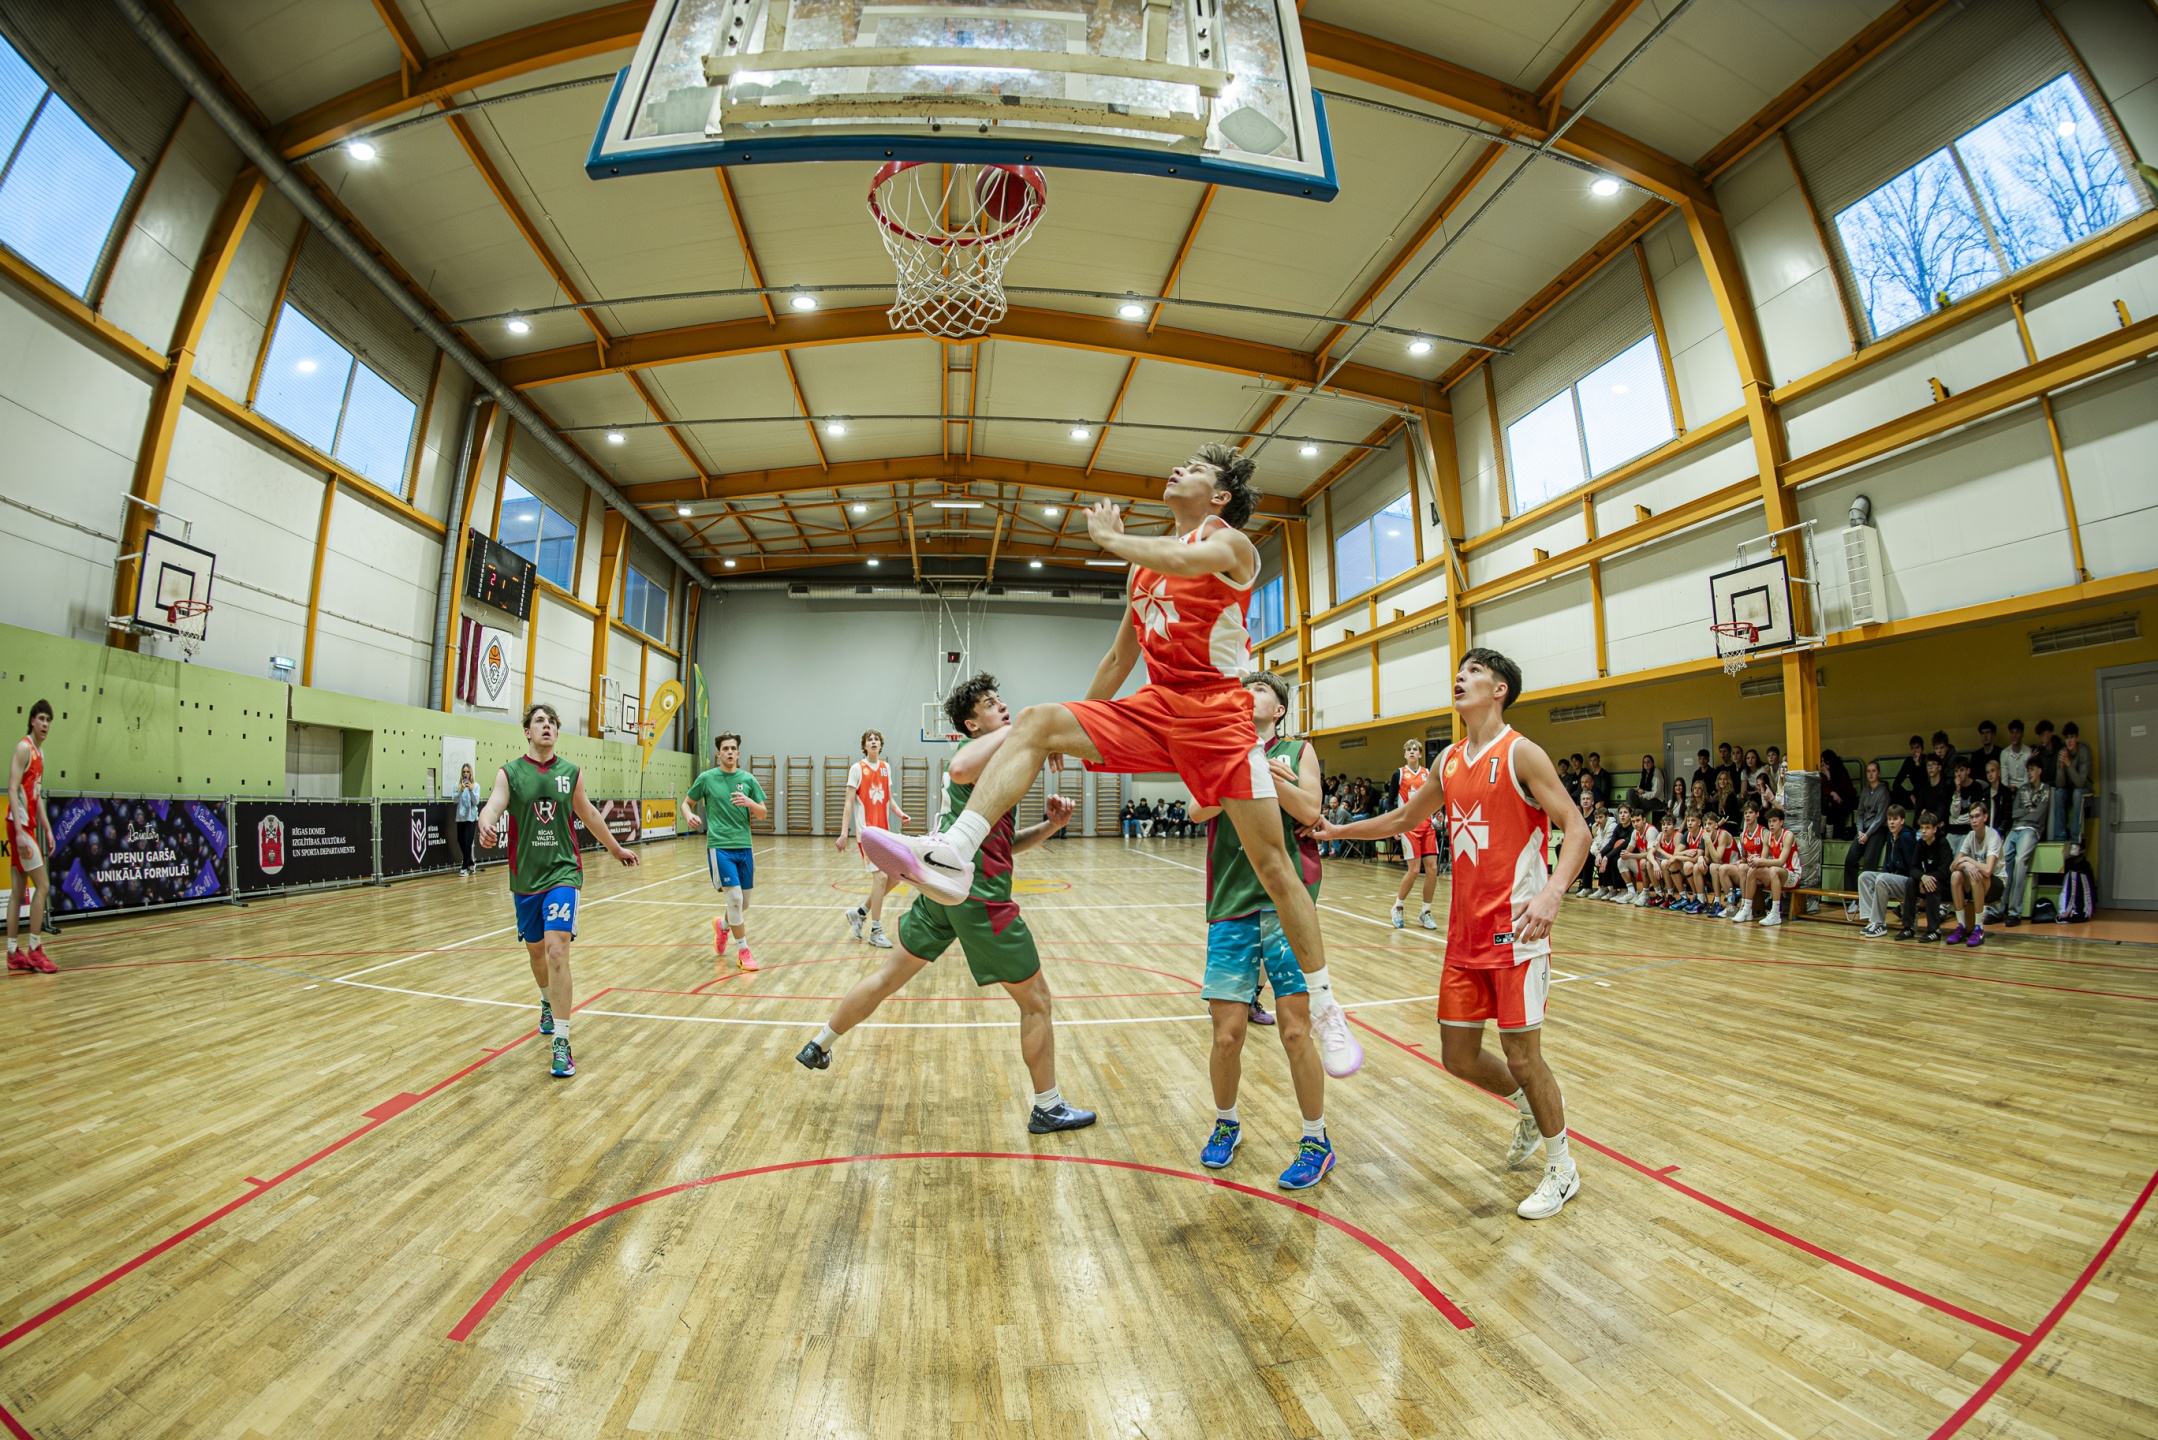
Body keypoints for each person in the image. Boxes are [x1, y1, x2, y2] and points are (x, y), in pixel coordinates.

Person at [861, 443, 1364, 1079]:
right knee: (1039, 720)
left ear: (1220, 495)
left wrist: (1113, 541)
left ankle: (1326, 1005)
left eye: (1196, 469)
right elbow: (1118, 660)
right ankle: (955, 852)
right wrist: (1071, 735)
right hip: (1158, 707)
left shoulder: (1234, 546)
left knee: (1273, 867)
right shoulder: (1141, 571)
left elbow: (1184, 558)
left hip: (1218, 717)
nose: (1177, 468)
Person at [1311, 649, 1591, 1221]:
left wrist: (1553, 892)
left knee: (1522, 1056)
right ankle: (1528, 1107)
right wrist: (1336, 830)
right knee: (1457, 1056)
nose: (1460, 677)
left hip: (1516, 931)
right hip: (1465, 936)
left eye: (1475, 672)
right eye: (1459, 671)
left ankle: (1562, 1168)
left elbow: (1578, 829)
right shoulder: (1449, 760)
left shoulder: (1521, 753)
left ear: (1500, 690)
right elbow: (1401, 820)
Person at [796, 674, 1095, 1136]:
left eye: (1000, 700)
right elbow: (959, 766)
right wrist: (1027, 730)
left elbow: (1003, 844)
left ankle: (820, 1043)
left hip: (942, 893)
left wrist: (1050, 827)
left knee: (886, 977)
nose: (1003, 707)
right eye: (990, 704)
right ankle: (1048, 1106)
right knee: (1036, 1002)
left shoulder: (998, 761)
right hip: (979, 895)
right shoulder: (975, 754)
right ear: (971, 725)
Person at [1191, 672, 1333, 1187]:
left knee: (1295, 1031)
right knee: (1227, 1034)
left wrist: (1272, 778)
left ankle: (1316, 1139)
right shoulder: (1219, 753)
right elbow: (1196, 809)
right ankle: (1226, 1124)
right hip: (1231, 902)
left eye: (1259, 690)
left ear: (1279, 710)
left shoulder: (1298, 751)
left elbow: (1311, 810)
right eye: (1242, 689)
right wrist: (1243, 769)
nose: (1246, 695)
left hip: (1286, 906)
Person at [474, 702, 640, 1078]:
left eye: (551, 722)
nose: (546, 726)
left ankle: (562, 1043)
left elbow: (589, 814)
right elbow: (493, 806)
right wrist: (485, 824)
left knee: (556, 950)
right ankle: (546, 1001)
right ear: (527, 732)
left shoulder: (570, 772)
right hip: (525, 879)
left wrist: (615, 849)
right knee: (537, 953)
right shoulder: (510, 772)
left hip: (564, 872)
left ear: (556, 733)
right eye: (539, 721)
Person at [682, 733, 769, 971]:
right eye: (725, 748)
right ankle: (743, 951)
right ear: (718, 754)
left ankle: (722, 926)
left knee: (744, 903)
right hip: (720, 846)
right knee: (735, 899)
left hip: (745, 847)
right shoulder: (706, 778)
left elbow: (763, 813)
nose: (729, 752)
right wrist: (689, 815)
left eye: (733, 748)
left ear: (738, 753)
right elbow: (686, 803)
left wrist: (749, 803)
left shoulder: (748, 779)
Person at [838, 729, 911, 951]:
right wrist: (844, 832)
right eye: (869, 740)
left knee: (896, 876)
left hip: (884, 832)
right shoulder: (856, 769)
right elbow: (849, 802)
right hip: (867, 833)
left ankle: (860, 913)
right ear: (864, 746)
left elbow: (888, 799)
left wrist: (900, 814)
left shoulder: (886, 767)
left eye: (876, 739)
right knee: (880, 877)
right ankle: (876, 931)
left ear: (880, 745)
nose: (873, 742)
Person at [6, 699, 56, 974]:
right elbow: (12, 789)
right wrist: (18, 833)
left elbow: (35, 798)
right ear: (32, 721)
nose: (45, 724)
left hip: (27, 826)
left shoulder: (40, 754)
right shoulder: (24, 748)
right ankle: (35, 950)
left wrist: (47, 828)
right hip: (20, 827)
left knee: (17, 891)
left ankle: (12, 953)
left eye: (48, 720)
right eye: (41, 719)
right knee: (43, 886)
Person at [1387, 738, 1439, 930]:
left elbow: (1434, 797)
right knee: (1414, 870)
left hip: (1427, 826)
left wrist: (1438, 813)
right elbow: (1390, 801)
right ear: (1404, 754)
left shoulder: (1428, 773)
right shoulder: (1399, 774)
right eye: (1408, 749)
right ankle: (1398, 906)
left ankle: (1426, 911)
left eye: (1415, 749)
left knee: (1432, 869)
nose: (1412, 751)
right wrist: (1394, 827)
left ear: (1420, 754)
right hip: (1409, 827)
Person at [1995, 756, 2050, 928]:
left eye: (2032, 769)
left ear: (2039, 771)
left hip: (2031, 830)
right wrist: (2028, 810)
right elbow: (2014, 813)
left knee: (2020, 862)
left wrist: (2027, 812)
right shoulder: (2022, 789)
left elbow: (2039, 815)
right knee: (2002, 862)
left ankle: (2014, 912)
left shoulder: (2046, 789)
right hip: (2015, 829)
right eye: (2028, 770)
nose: (2029, 773)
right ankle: (1997, 909)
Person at [1855, 805, 1918, 939]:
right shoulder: (1890, 835)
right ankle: (1872, 920)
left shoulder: (1907, 837)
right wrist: (1886, 874)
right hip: (1894, 879)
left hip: (1908, 882)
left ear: (1902, 821)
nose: (1891, 822)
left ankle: (1879, 923)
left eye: (1895, 819)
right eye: (1889, 819)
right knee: (1864, 877)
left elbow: (1913, 866)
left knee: (1882, 879)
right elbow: (1887, 861)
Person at [1944, 805, 2003, 947]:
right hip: (1977, 880)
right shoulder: (1970, 836)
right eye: (1971, 817)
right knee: (1956, 875)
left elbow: (1988, 870)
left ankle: (1979, 928)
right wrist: (1966, 864)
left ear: (1985, 817)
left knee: (1975, 875)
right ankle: (1961, 926)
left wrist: (1968, 860)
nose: (1974, 820)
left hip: (1996, 882)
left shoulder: (1993, 836)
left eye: (1977, 816)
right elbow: (1953, 866)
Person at [1734, 805, 1800, 926]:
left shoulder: (1788, 835)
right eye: (1769, 821)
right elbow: (1763, 859)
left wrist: (1761, 861)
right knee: (1752, 870)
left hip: (1791, 874)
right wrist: (1755, 860)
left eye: (1774, 821)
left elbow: (1781, 862)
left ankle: (1775, 913)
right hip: (1775, 874)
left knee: (1774, 869)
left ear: (1781, 822)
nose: (1771, 824)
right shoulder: (1768, 836)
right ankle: (1747, 909)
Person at [1902, 811, 1954, 942]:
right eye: (1922, 828)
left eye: (1927, 828)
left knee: (1932, 885)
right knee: (1910, 882)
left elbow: (1944, 873)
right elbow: (1913, 868)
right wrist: (1922, 878)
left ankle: (1934, 930)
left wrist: (1926, 879)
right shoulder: (1921, 844)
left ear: (1935, 829)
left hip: (1945, 886)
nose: (1923, 831)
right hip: (1926, 881)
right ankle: (1908, 927)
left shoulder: (1943, 844)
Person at [1843, 759, 1890, 893]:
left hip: (1878, 829)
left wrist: (1867, 834)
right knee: (1850, 859)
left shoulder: (1883, 791)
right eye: (1868, 771)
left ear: (1878, 773)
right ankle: (1851, 896)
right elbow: (1860, 813)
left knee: (1869, 860)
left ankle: (1866, 895)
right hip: (1864, 829)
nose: (1871, 774)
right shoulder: (1865, 791)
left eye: (1873, 771)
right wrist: (1860, 831)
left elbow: (1880, 817)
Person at [1713, 799, 1765, 919]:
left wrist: (1758, 858)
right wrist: (1742, 859)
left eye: (1750, 813)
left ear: (1757, 814)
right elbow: (1745, 856)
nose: (1747, 815)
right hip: (1747, 867)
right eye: (1745, 813)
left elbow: (1768, 856)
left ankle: (1745, 907)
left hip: (1760, 868)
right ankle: (1731, 905)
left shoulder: (1764, 832)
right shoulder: (1742, 835)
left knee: (1742, 868)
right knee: (1723, 869)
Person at [2052, 722, 2092, 842]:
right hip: (2069, 789)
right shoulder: (2062, 752)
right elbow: (2060, 784)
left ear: (2077, 738)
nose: (2069, 741)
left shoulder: (2083, 751)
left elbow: (2080, 783)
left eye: (2072, 737)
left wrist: (2068, 764)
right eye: (2067, 738)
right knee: (2058, 793)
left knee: (2077, 793)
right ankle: (2060, 835)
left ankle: (2075, 837)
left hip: (2084, 789)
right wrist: (2061, 767)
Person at [1819, 748, 1857, 839]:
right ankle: (1823, 832)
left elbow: (1840, 787)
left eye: (1825, 761)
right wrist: (1833, 793)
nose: (1823, 764)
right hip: (1832, 799)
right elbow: (1825, 789)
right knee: (1826, 803)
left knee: (1832, 806)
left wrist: (1829, 777)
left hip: (1846, 798)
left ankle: (1830, 834)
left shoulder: (1840, 770)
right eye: (1822, 761)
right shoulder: (1823, 773)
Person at [454, 762, 481, 876]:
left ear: (471, 773)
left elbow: (476, 802)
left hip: (471, 818)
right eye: (464, 772)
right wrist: (461, 790)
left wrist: (470, 790)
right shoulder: (457, 785)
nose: (466, 774)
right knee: (460, 840)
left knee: (467, 841)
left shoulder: (476, 786)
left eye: (468, 772)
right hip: (461, 817)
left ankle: (464, 867)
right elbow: (455, 800)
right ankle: (470, 862)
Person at [1890, 735, 1927, 808]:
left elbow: (1922, 783)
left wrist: (1917, 764)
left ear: (1922, 748)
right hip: (1915, 793)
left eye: (1917, 747)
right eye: (1912, 748)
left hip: (1927, 792)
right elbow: (1896, 784)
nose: (1914, 751)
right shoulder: (1909, 761)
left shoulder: (1927, 760)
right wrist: (1910, 795)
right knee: (1893, 795)